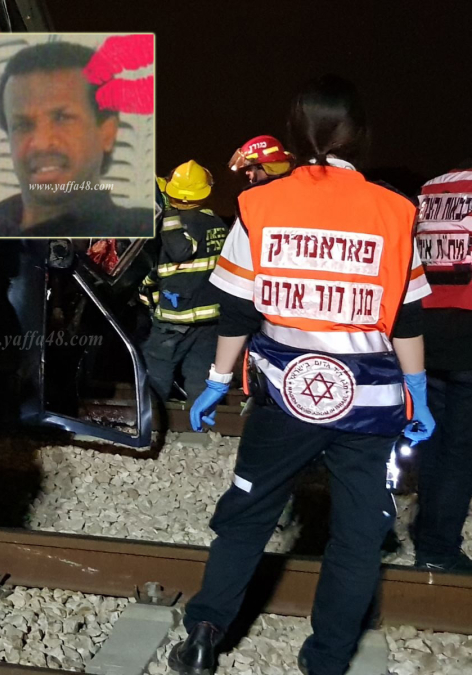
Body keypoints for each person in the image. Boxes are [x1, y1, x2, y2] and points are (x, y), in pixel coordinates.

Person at [168, 75, 434, 675]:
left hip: (284, 399)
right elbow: (407, 319)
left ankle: (205, 635)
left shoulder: (259, 205)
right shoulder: (395, 211)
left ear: (293, 133)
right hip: (369, 405)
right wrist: (417, 394)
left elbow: (238, 311)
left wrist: (216, 380)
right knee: (359, 536)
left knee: (247, 516)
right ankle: (327, 660)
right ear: (358, 135)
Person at [0, 41, 153, 239]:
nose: (41, 143)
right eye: (23, 125)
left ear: (107, 134)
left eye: (62, 118)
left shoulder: (144, 234)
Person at [412, 158, 472, 573]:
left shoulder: (431, 188)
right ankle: (438, 549)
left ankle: (427, 533)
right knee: (460, 449)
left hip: (428, 328)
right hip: (469, 328)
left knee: (435, 441)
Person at [139, 162, 228, 401]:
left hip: (176, 316)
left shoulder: (177, 223)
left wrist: (168, 213)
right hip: (209, 317)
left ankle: (153, 416)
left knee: (156, 369)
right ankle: (202, 419)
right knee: (199, 374)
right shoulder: (215, 222)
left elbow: (179, 251)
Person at [228, 134, 294, 185]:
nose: (247, 172)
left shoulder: (259, 195)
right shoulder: (295, 181)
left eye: (250, 168)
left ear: (266, 166)